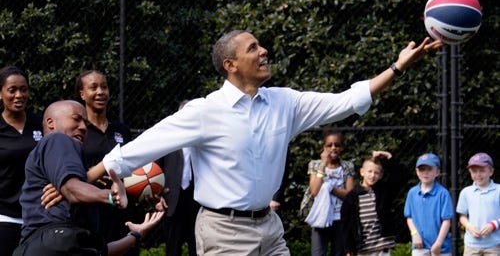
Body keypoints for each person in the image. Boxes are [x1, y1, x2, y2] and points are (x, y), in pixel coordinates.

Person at [87, 30, 442, 255]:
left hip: (270, 230)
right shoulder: (205, 111)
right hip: (223, 233)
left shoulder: (284, 103)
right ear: (230, 64)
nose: (263, 51)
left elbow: (346, 100)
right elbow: (144, 145)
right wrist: (82, 179)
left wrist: (397, 67)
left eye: (260, 45)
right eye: (252, 48)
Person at [14, 100, 164, 255]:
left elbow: (101, 251)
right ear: (51, 123)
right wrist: (110, 196)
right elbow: (72, 190)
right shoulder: (58, 139)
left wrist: (136, 235)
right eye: (76, 119)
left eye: (85, 122)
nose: (84, 127)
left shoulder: (59, 170)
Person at [75, 70, 143, 255]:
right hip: (90, 212)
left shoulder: (121, 130)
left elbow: (134, 168)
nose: (100, 92)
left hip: (122, 211)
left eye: (104, 87)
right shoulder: (79, 130)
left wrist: (147, 186)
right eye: (93, 87)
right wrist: (87, 176)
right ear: (82, 94)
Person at [0, 66, 43, 255]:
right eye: (12, 90)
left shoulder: (41, 124)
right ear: (0, 93)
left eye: (23, 89)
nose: (19, 95)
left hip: (38, 215)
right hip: (5, 216)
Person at [157, 100, 200, 256]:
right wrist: (157, 196)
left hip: (197, 201)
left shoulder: (203, 142)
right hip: (172, 200)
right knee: (172, 249)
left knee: (198, 248)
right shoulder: (167, 140)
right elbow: (155, 169)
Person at [341, 150, 405, 256]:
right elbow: (346, 224)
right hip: (363, 248)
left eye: (376, 172)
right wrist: (348, 249)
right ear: (362, 172)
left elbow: (398, 178)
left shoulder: (384, 191)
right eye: (369, 171)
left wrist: (388, 156)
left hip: (382, 246)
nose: (372, 175)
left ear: (381, 175)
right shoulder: (352, 197)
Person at [304, 128, 354, 256]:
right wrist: (323, 164)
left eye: (337, 145)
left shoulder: (347, 166)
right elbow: (315, 191)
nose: (333, 148)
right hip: (320, 216)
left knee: (339, 252)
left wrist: (330, 188)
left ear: (342, 148)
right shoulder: (315, 164)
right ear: (324, 147)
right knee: (318, 253)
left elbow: (349, 196)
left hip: (340, 217)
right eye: (329, 145)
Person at [404, 153, 454, 256]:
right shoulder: (412, 193)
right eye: (422, 169)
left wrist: (438, 243)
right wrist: (414, 234)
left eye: (429, 169)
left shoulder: (443, 193)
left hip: (441, 249)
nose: (425, 173)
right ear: (417, 172)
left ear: (437, 172)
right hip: (419, 247)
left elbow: (446, 220)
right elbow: (409, 217)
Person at [456, 152, 500, 256]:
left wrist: (494, 225)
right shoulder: (466, 192)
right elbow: (462, 216)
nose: (478, 175)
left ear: (491, 171)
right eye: (474, 171)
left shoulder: (498, 190)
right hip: (471, 245)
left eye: (482, 171)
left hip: (495, 245)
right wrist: (469, 226)